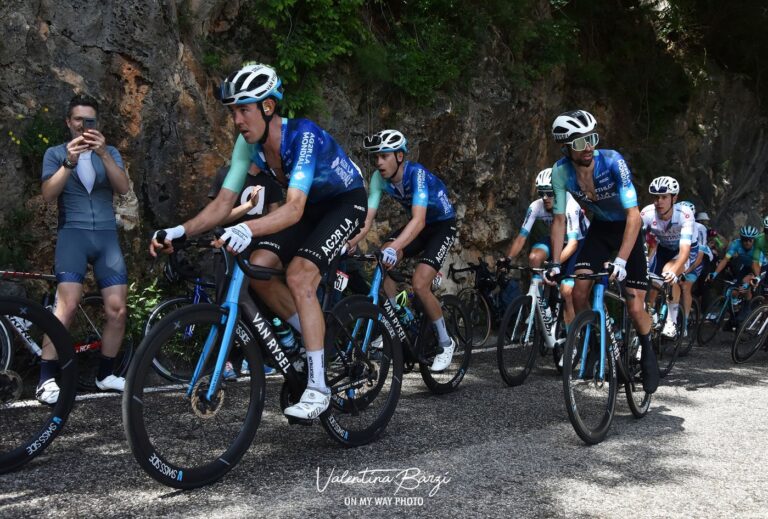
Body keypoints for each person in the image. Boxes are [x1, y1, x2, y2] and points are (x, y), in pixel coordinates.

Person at [150, 63, 367, 420]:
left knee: (299, 275)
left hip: (345, 202)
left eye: (244, 109)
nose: (236, 119)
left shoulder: (303, 136)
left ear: (268, 107)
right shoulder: (247, 147)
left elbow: (294, 208)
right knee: (259, 269)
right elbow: (223, 203)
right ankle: (314, 336)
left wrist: (248, 229)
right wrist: (179, 231)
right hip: (313, 207)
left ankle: (318, 388)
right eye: (233, 111)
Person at [544, 109, 658, 394]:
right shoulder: (561, 172)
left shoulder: (612, 162)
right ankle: (596, 342)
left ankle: (647, 347)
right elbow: (559, 219)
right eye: (581, 143)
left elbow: (634, 215)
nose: (589, 147)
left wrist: (620, 260)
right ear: (567, 147)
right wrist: (556, 262)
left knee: (634, 306)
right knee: (578, 290)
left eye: (592, 139)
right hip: (600, 230)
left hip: (628, 229)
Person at [38, 94, 130, 404]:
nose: (83, 125)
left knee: (117, 309)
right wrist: (69, 162)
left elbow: (123, 187)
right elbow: (49, 194)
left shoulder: (111, 152)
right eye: (78, 119)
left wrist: (104, 154)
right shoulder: (55, 153)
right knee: (66, 306)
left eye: (89, 120)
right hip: (73, 234)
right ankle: (46, 378)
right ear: (68, 122)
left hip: (106, 236)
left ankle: (105, 374)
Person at [349, 129, 457, 371]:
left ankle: (445, 341)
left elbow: (418, 221)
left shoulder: (416, 175)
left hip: (440, 226)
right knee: (383, 257)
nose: (378, 162)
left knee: (419, 284)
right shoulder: (379, 179)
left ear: (399, 156)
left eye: (384, 156)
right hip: (420, 225)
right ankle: (396, 315)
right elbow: (367, 221)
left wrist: (396, 247)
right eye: (376, 157)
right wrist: (349, 242)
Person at [206, 163, 282, 378]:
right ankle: (225, 362)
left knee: (256, 306)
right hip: (229, 249)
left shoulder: (270, 178)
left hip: (257, 252)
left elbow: (275, 218)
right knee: (225, 304)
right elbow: (218, 217)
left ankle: (253, 359)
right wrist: (248, 206)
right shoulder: (229, 173)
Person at [503, 168, 589, 327]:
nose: (545, 198)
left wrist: (553, 264)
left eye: (549, 193)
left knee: (566, 291)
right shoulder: (536, 206)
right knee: (534, 258)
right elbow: (522, 236)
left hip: (579, 243)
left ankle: (572, 342)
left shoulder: (571, 206)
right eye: (541, 193)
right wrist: (507, 259)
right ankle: (543, 307)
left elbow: (573, 244)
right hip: (555, 239)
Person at [639, 179, 697, 339]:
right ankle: (650, 323)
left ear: (674, 198)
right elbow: (637, 241)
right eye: (656, 197)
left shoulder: (685, 214)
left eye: (664, 197)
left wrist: (675, 271)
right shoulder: (647, 213)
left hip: (683, 250)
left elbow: (685, 250)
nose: (659, 202)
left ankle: (671, 320)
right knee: (652, 287)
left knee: (669, 273)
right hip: (664, 249)